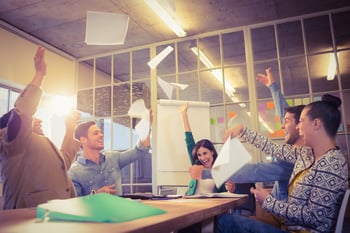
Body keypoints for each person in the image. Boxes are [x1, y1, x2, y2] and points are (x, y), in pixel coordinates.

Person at [216, 93, 349, 233]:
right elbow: (274, 148)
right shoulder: (308, 155)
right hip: (288, 228)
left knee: (225, 222)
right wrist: (242, 130)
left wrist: (269, 202)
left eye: (302, 121)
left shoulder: (332, 164)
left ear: (316, 123)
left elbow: (313, 217)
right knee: (226, 220)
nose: (298, 127)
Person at [0, 46, 81, 209]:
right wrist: (39, 75)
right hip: (28, 220)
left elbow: (64, 160)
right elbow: (22, 112)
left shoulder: (39, 144)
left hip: (55, 217)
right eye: (31, 120)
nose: (37, 120)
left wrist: (70, 128)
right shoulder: (12, 144)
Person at [179, 103, 255, 216]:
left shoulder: (221, 168)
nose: (202, 158)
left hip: (210, 210)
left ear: (212, 152)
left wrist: (232, 189)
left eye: (205, 153)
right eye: (199, 155)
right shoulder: (197, 165)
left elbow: (226, 193)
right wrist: (184, 114)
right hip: (191, 206)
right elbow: (189, 141)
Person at [68, 113, 152, 196]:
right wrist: (96, 195)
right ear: (83, 140)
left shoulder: (113, 158)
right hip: (95, 210)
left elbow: (140, 150)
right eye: (96, 133)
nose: (101, 135)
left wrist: (146, 126)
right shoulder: (74, 173)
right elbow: (75, 203)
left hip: (119, 209)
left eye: (101, 132)